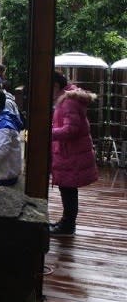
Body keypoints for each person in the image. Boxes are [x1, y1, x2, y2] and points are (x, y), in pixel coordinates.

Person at [49, 70, 99, 237]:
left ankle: (68, 225)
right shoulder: (67, 98)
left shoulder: (68, 102)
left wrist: (49, 132)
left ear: (55, 86)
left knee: (68, 190)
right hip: (70, 153)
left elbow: (71, 130)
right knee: (68, 189)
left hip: (71, 154)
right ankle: (66, 222)